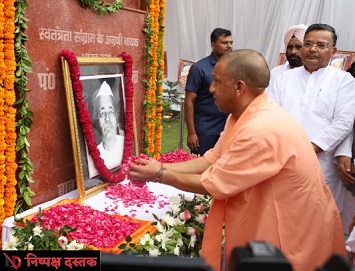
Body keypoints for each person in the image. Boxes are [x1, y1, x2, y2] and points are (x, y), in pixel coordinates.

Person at [128, 49, 346, 271]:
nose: (211, 88)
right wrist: (161, 165)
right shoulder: (242, 115)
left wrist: (158, 175)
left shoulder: (261, 128)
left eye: (217, 81)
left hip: (290, 233)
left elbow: (212, 184)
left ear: (239, 87)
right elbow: (210, 160)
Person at [267, 24, 355, 233]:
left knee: (317, 223)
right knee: (281, 218)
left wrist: (309, 148)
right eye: (308, 44)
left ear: (333, 51)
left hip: (321, 163)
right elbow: (270, 114)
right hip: (283, 159)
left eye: (321, 45)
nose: (312, 49)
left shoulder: (344, 80)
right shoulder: (282, 78)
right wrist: (288, 148)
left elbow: (344, 121)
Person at [184, 28, 233, 155]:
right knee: (202, 169)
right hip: (206, 129)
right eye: (224, 43)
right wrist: (191, 133)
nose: (229, 46)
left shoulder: (234, 67)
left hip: (229, 128)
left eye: (231, 43)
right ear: (213, 45)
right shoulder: (199, 68)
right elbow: (189, 101)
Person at [88, 80, 124, 177]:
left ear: (116, 117)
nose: (107, 118)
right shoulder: (93, 156)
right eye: (102, 113)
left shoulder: (126, 144)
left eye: (111, 111)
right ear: (97, 122)